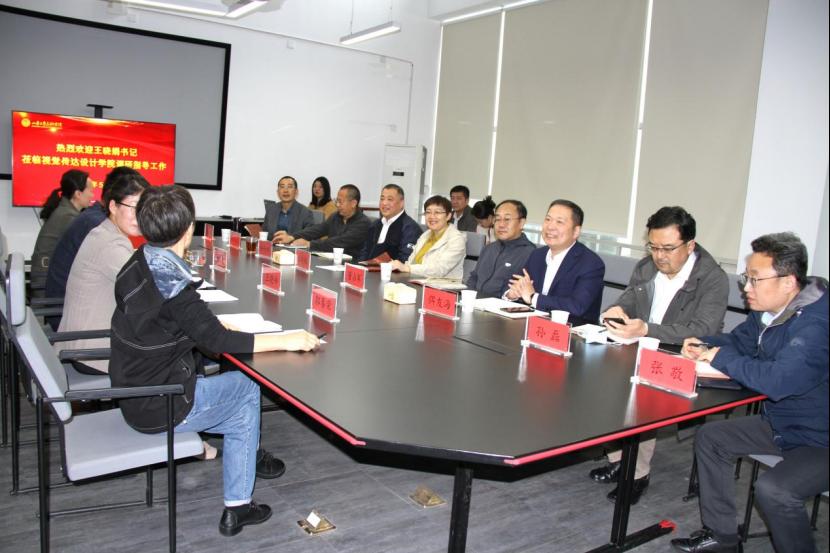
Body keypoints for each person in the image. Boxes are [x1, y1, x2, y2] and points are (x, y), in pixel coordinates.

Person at [110, 185, 320, 537]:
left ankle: (242, 485)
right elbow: (218, 343)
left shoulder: (140, 261)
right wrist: (287, 339)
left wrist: (212, 325)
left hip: (133, 389)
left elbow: (173, 323)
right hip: (159, 401)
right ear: (188, 228)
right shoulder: (174, 285)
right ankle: (239, 500)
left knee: (240, 408)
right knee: (247, 388)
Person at [671, 233, 828, 553]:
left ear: (788, 282)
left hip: (821, 438)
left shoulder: (816, 325)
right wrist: (704, 343)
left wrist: (719, 357)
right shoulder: (770, 310)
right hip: (786, 425)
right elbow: (740, 343)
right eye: (747, 277)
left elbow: (778, 382)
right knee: (712, 437)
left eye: (755, 279)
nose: (746, 288)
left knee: (775, 490)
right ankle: (723, 538)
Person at [589, 206, 729, 505]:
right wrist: (617, 311)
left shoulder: (712, 278)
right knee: (600, 378)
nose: (659, 256)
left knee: (641, 398)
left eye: (668, 248)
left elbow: (703, 328)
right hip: (642, 344)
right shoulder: (646, 267)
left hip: (682, 355)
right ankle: (618, 459)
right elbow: (628, 300)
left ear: (690, 245)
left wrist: (646, 329)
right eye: (653, 247)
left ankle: (637, 474)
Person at [56, 171, 149, 374]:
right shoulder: (111, 244)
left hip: (79, 341)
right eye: (134, 207)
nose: (140, 216)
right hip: (94, 351)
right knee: (172, 355)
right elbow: (147, 293)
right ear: (113, 206)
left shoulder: (105, 232)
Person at [45, 167, 141, 301]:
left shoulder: (95, 217)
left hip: (68, 297)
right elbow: (136, 284)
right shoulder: (98, 225)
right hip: (62, 300)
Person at [505, 199, 604, 321]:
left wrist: (533, 297)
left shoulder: (590, 263)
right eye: (548, 219)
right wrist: (512, 294)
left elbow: (577, 306)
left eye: (559, 222)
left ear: (576, 231)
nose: (550, 226)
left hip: (571, 329)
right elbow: (518, 286)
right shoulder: (537, 255)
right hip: (532, 324)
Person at [30, 169, 94, 281]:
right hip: (47, 281)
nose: (92, 196)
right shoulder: (68, 217)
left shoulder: (65, 211)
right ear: (78, 194)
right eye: (90, 191)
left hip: (49, 276)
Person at [274, 184, 370, 258]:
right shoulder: (336, 216)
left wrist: (309, 244)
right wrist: (292, 237)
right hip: (331, 261)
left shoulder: (363, 223)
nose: (337, 205)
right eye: (337, 201)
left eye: (340, 202)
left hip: (353, 265)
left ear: (353, 203)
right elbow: (318, 229)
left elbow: (340, 242)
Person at [465, 199, 535, 298]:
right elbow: (474, 277)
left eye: (507, 219)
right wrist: (467, 297)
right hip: (473, 302)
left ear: (521, 223)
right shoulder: (488, 248)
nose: (501, 225)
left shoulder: (531, 254)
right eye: (497, 219)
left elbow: (517, 292)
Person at [390, 195, 466, 279]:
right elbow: (411, 261)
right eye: (428, 212)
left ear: (448, 216)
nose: (432, 216)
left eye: (437, 212)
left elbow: (439, 270)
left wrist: (407, 268)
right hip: (416, 280)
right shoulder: (425, 235)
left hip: (441, 285)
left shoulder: (456, 239)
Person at [359, 184, 421, 263]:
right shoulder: (375, 224)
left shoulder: (410, 228)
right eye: (382, 199)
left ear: (401, 203)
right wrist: (360, 265)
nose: (384, 203)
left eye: (390, 199)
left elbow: (405, 260)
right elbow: (364, 252)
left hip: (392, 270)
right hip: (368, 269)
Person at [262, 175, 314, 240]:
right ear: (278, 192)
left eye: (289, 187)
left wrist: (290, 238)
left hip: (294, 246)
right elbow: (264, 235)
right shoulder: (271, 210)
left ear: (296, 192)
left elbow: (309, 237)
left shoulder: (305, 213)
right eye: (282, 187)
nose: (285, 190)